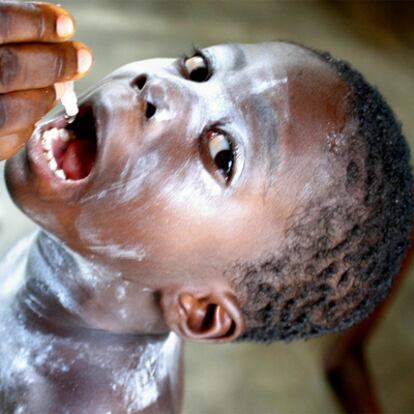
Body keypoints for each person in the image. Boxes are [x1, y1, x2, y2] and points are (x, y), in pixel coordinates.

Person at [0, 2, 413, 413]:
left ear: (201, 310)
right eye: (198, 69)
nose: (158, 87)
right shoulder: (93, 246)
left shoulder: (81, 405)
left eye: (223, 155)